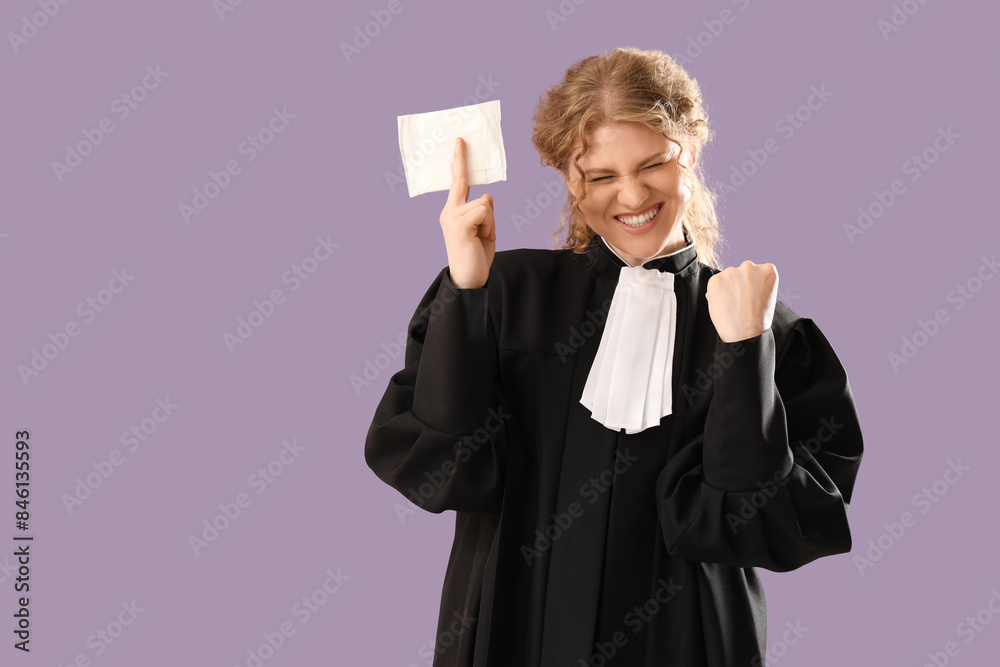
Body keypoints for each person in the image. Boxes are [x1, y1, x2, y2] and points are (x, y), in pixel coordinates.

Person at [365, 46, 863, 667]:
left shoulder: (767, 328)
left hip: (688, 643)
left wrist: (744, 354)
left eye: (653, 164)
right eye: (601, 176)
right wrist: (466, 295)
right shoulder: (504, 293)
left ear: (691, 152)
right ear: (569, 179)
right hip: (510, 629)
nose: (631, 196)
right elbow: (441, 471)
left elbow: (757, 526)